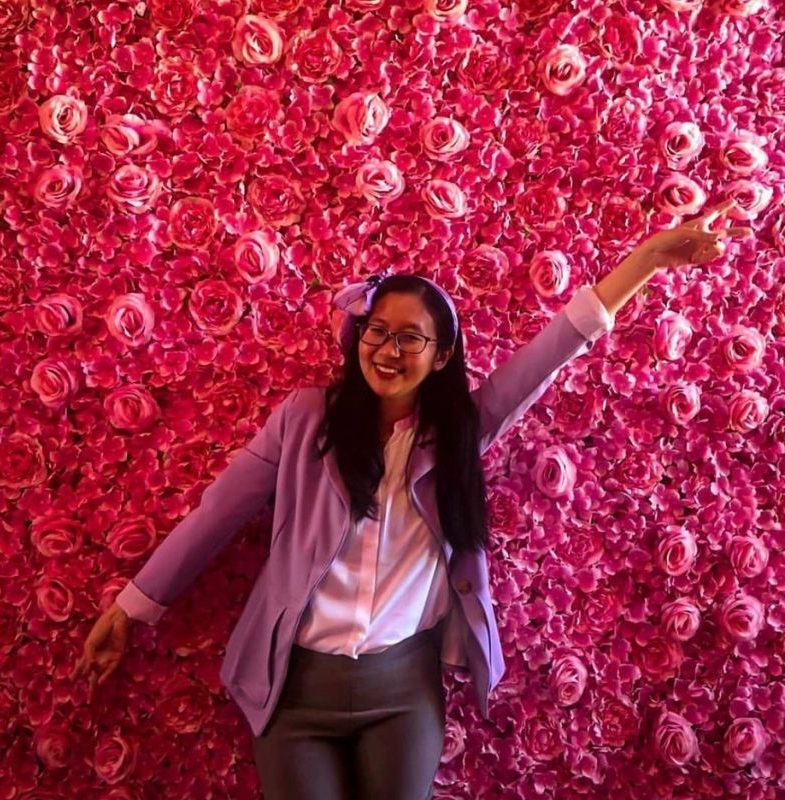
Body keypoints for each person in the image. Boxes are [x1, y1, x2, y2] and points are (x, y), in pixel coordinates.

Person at [73, 200, 751, 799]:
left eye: (411, 338)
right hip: (293, 687)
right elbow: (216, 516)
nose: (388, 350)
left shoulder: (461, 431)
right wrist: (133, 607)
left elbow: (558, 345)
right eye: (378, 331)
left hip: (401, 693)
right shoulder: (304, 419)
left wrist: (652, 258)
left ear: (443, 354)